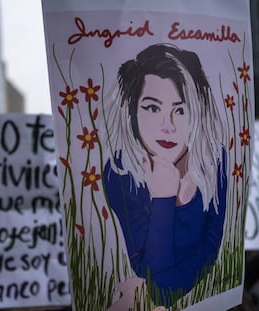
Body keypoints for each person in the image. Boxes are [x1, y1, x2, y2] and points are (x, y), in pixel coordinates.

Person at [102, 43, 228, 307]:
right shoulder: (120, 172)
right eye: (152, 108)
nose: (167, 126)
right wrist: (165, 200)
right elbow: (158, 285)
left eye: (180, 110)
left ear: (197, 112)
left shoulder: (214, 159)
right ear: (133, 111)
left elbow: (212, 250)